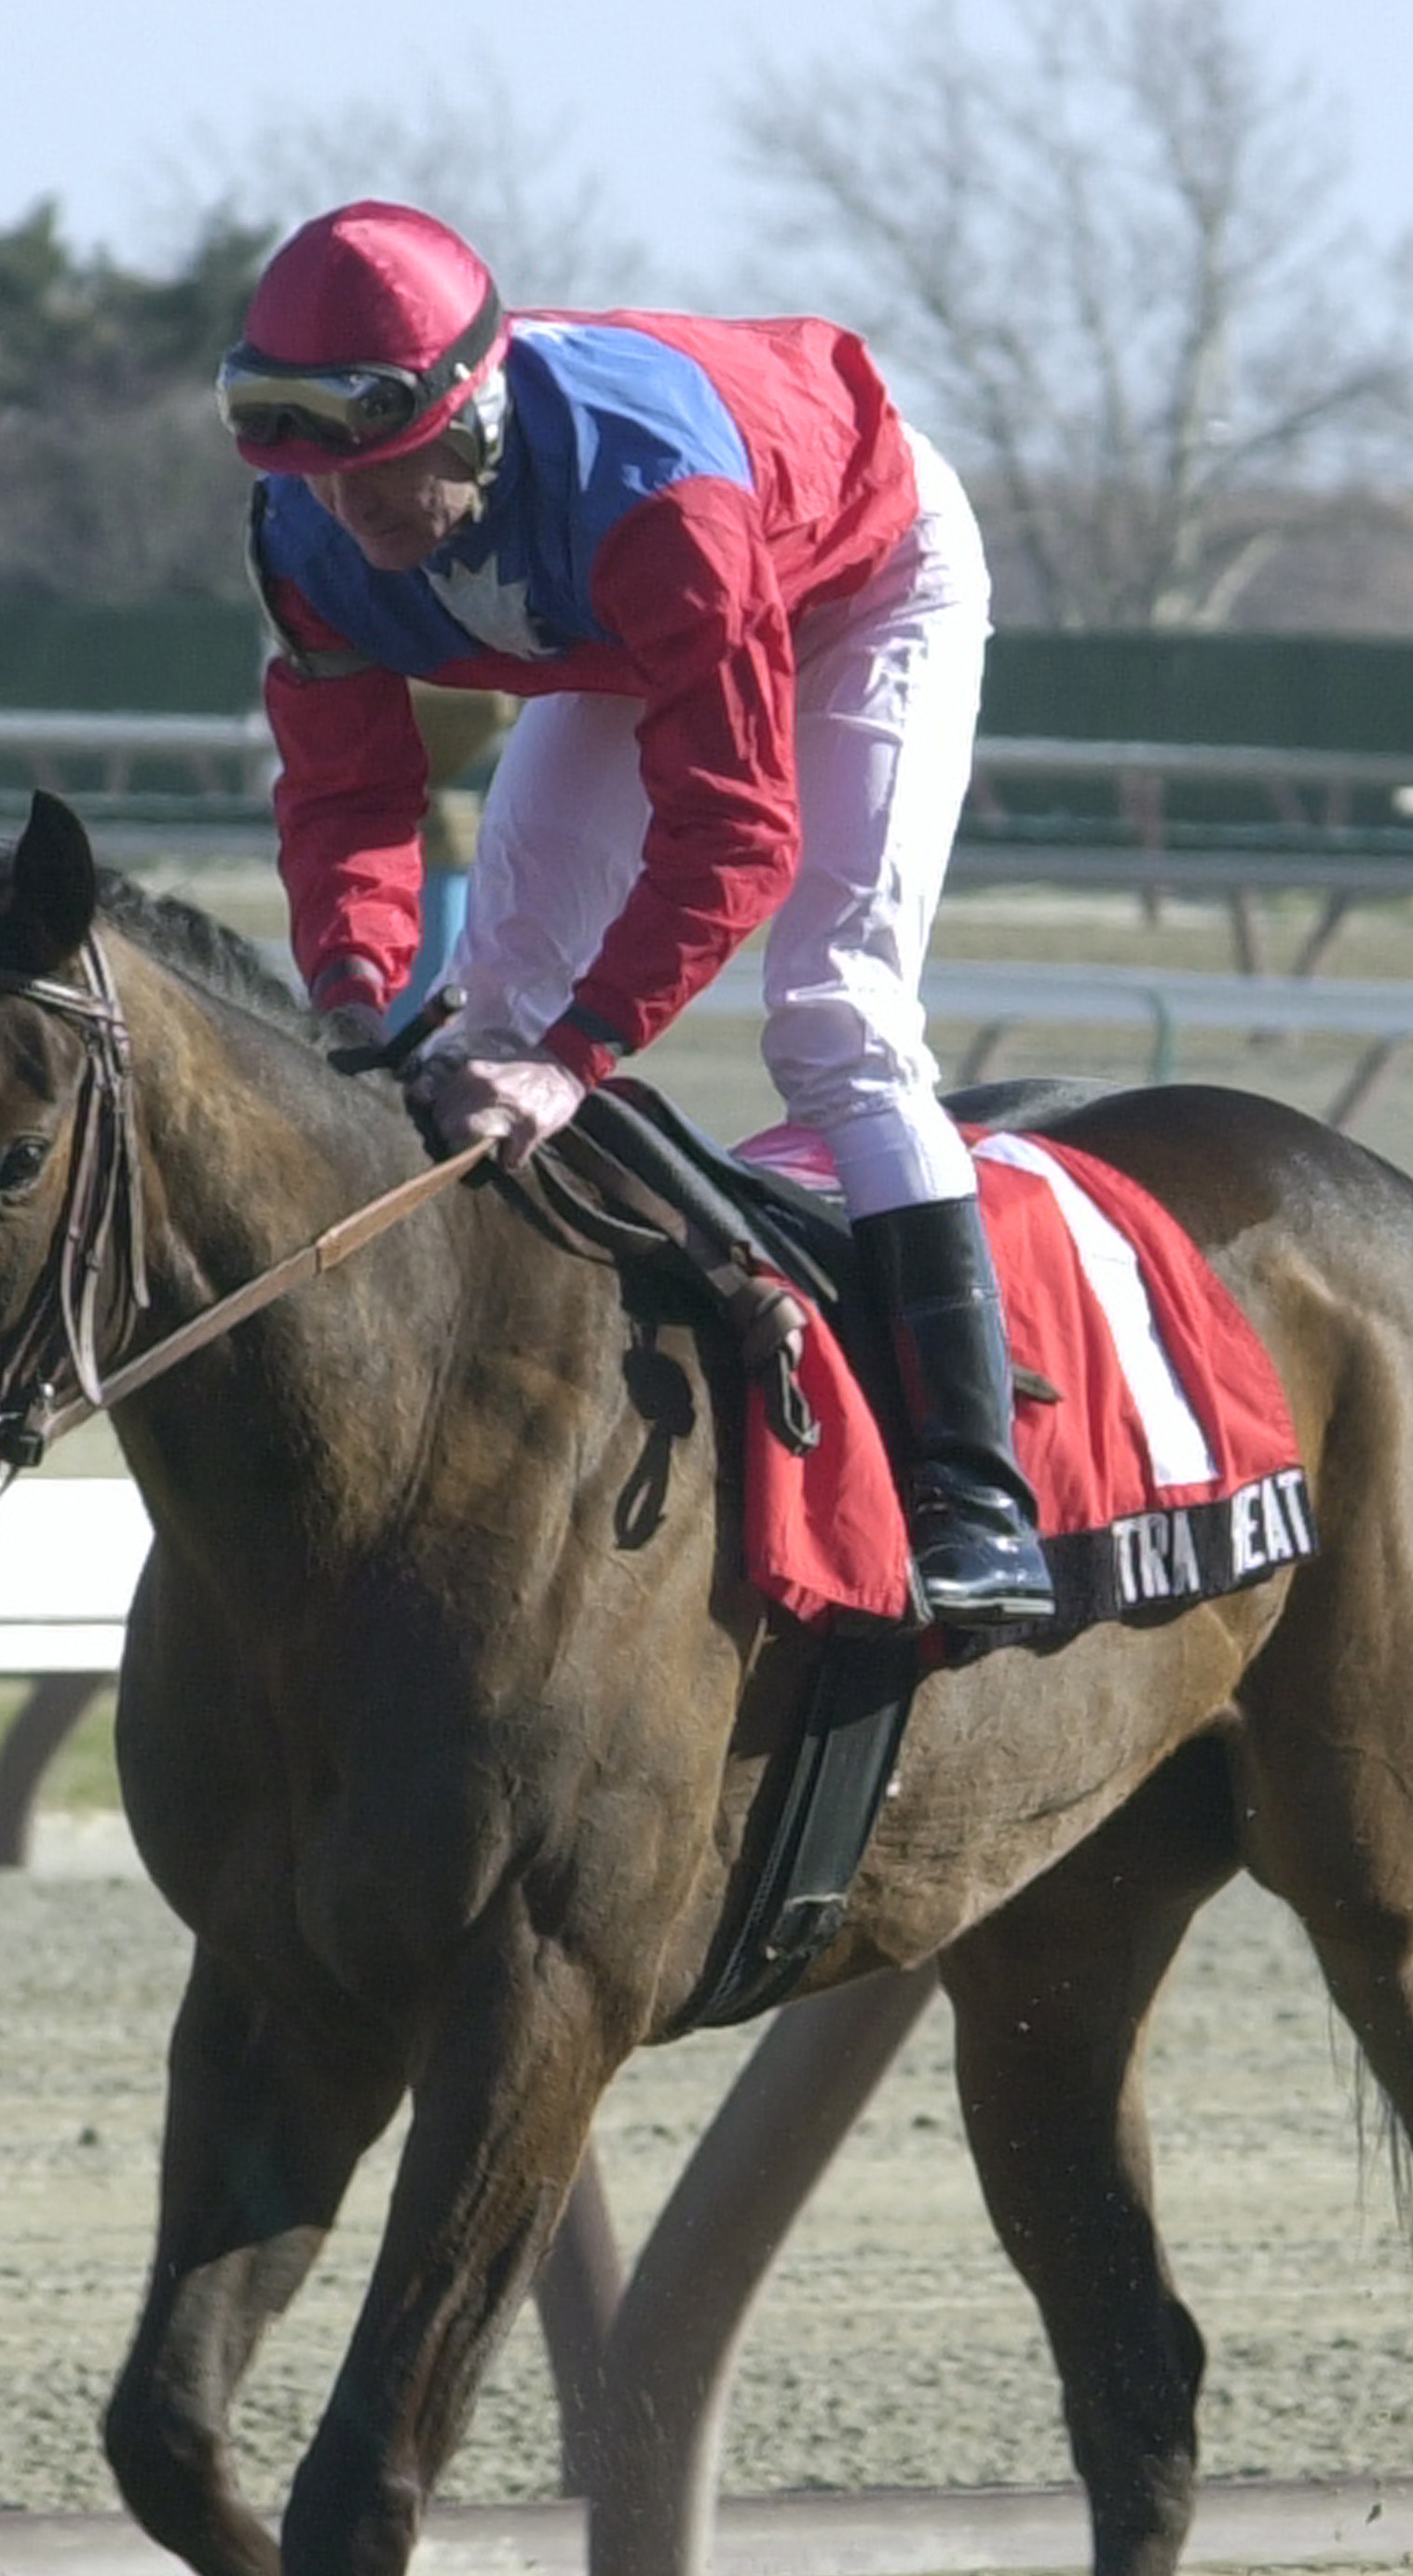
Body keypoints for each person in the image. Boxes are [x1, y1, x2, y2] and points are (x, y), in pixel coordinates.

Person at [217, 199, 1052, 1627]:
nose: (358, 514)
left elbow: (735, 828)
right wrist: (352, 982)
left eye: (388, 471)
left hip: (861, 575)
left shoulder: (651, 495)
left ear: (471, 415)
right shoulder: (306, 528)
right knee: (491, 1001)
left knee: (836, 1015)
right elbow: (348, 795)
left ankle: (977, 1494)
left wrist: (579, 1058)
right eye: (326, 481)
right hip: (612, 618)